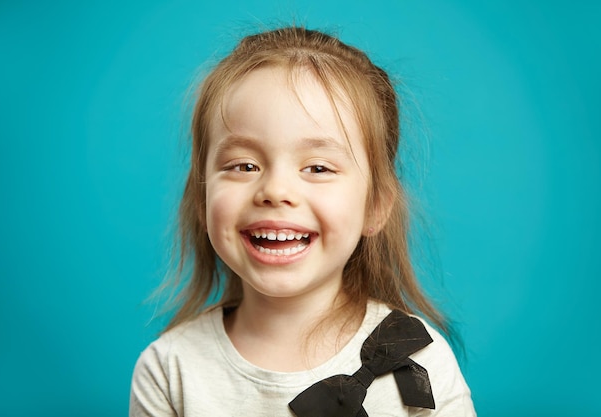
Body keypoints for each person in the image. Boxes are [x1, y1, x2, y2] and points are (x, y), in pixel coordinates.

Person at [130, 26, 475, 416]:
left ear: (375, 206)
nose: (275, 190)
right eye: (244, 165)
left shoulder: (416, 354)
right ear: (202, 200)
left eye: (317, 167)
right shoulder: (169, 370)